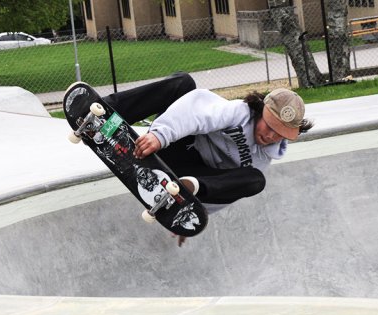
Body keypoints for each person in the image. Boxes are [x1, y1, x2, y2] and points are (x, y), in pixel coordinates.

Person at [100, 72, 314, 246]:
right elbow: (196, 112)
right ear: (261, 112)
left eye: (279, 134)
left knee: (256, 180)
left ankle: (187, 193)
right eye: (269, 127)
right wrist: (160, 136)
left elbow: (227, 190)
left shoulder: (264, 158)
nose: (270, 136)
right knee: (183, 83)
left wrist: (191, 212)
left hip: (192, 177)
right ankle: (103, 114)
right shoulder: (238, 112)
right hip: (175, 146)